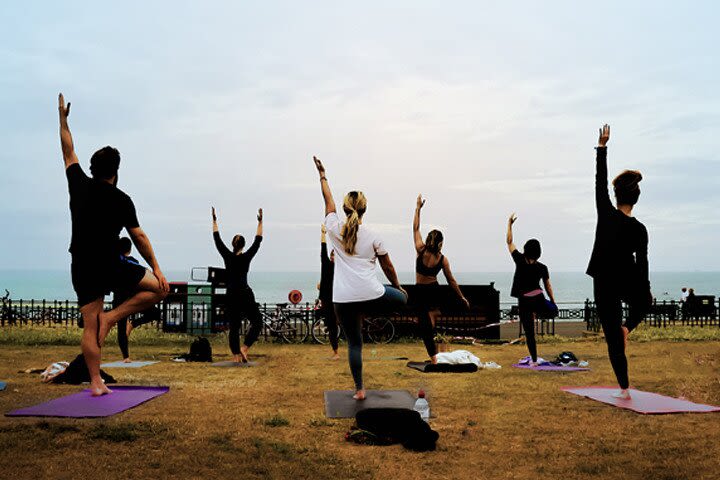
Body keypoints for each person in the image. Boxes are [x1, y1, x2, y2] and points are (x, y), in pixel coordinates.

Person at [58, 93, 169, 396]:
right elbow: (139, 237)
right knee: (160, 289)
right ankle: (113, 318)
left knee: (90, 325)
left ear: (93, 169)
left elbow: (68, 150)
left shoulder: (78, 183)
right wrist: (157, 268)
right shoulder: (122, 199)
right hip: (109, 263)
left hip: (81, 264)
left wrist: (63, 119)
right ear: (116, 172)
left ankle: (96, 382)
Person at [314, 156, 407, 400]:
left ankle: (359, 390)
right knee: (402, 299)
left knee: (354, 344)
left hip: (342, 300)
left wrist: (323, 175)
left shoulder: (334, 228)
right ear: (364, 209)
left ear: (346, 209)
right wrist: (398, 287)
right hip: (370, 294)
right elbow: (388, 266)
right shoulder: (374, 235)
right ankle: (369, 314)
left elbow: (328, 201)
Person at [587, 124, 651, 400]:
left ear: (617, 196)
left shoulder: (606, 211)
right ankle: (627, 328)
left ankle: (624, 387)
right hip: (625, 280)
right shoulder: (639, 229)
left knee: (613, 338)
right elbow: (643, 264)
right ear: (635, 198)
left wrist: (602, 147)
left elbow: (599, 182)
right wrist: (644, 291)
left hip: (604, 281)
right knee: (644, 304)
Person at [412, 194, 470, 364]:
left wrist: (417, 209)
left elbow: (415, 228)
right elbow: (451, 281)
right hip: (430, 291)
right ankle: (434, 355)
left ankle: (434, 357)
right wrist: (461, 297)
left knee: (427, 328)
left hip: (423, 291)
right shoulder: (441, 258)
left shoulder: (421, 250)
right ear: (440, 243)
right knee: (427, 326)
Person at [212, 206, 264, 363]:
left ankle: (235, 356)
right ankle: (245, 348)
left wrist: (214, 220)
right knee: (257, 321)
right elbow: (258, 240)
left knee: (234, 327)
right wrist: (260, 221)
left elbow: (217, 240)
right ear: (243, 245)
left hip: (231, 294)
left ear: (233, 245)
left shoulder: (228, 257)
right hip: (245, 293)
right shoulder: (246, 257)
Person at [506, 213, 557, 366]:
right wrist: (553, 302)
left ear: (526, 250)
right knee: (552, 311)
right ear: (538, 252)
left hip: (525, 301)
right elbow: (548, 286)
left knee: (529, 333)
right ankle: (538, 315)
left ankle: (534, 360)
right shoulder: (542, 267)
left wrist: (509, 224)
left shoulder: (520, 260)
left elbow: (509, 242)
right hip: (539, 299)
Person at [114, 237, 161, 363]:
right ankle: (126, 355)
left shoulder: (116, 262)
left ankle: (126, 357)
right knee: (155, 313)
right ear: (130, 249)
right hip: (132, 298)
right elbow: (144, 273)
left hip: (122, 297)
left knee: (121, 326)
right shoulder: (131, 261)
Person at [318, 225, 340, 359]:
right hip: (327, 299)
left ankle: (336, 352)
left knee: (334, 325)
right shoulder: (326, 264)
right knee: (331, 325)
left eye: (335, 255)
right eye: (332, 255)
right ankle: (335, 352)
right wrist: (323, 234)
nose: (333, 257)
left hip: (336, 299)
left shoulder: (340, 269)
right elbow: (323, 249)